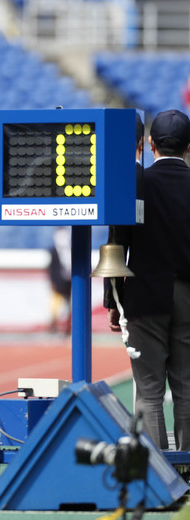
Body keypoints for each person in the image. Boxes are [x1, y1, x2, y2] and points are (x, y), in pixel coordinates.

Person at [105, 109, 190, 450]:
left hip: (144, 295)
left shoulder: (135, 182)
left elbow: (116, 244)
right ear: (188, 147)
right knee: (186, 387)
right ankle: (187, 465)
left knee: (149, 389)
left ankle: (158, 471)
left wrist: (113, 302)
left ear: (150, 144)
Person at [48, 226, 72, 335]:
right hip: (58, 281)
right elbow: (52, 268)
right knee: (56, 304)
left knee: (69, 304)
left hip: (69, 281)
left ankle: (68, 326)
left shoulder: (71, 250)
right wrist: (52, 282)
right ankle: (53, 325)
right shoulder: (53, 251)